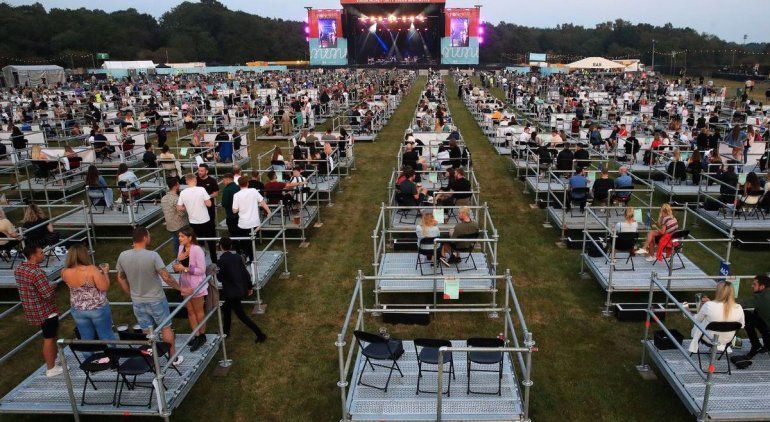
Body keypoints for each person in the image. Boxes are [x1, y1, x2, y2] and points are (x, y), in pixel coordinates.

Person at [116, 227, 184, 366]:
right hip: (156, 299)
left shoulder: (123, 255)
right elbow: (166, 277)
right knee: (166, 328)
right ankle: (173, 358)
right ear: (145, 237)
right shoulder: (153, 255)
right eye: (149, 235)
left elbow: (121, 278)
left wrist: (130, 293)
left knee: (147, 331)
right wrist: (180, 288)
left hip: (137, 300)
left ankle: (151, 359)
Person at [14, 243, 62, 376]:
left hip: (32, 308)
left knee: (51, 335)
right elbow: (47, 294)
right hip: (45, 310)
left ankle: (55, 358)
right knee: (49, 337)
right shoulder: (37, 273)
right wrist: (54, 285)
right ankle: (51, 367)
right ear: (33, 255)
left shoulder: (19, 268)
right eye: (41, 253)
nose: (43, 254)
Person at [61, 243, 117, 341]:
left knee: (86, 338)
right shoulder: (91, 269)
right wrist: (105, 273)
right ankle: (111, 356)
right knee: (106, 336)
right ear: (84, 255)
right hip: (97, 308)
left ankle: (89, 356)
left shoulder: (64, 272)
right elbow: (104, 287)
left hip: (78, 309)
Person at [216, 237, 267, 343]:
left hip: (230, 292)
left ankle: (260, 334)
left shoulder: (221, 261)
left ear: (220, 247)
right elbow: (245, 273)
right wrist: (249, 287)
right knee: (226, 310)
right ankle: (226, 332)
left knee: (241, 316)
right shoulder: (238, 257)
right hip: (238, 289)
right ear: (231, 246)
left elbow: (220, 278)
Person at [171, 226, 208, 352]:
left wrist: (185, 269)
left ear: (190, 237)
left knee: (198, 311)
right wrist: (177, 264)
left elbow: (202, 270)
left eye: (182, 236)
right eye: (179, 236)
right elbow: (177, 265)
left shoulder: (197, 250)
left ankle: (202, 336)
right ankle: (196, 335)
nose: (179, 238)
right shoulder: (181, 248)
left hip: (196, 286)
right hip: (185, 284)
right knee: (190, 311)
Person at [688, 281, 744, 354]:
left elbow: (698, 320)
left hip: (709, 338)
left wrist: (704, 306)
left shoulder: (709, 305)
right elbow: (742, 325)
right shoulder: (738, 307)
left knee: (702, 321)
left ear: (718, 292)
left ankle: (687, 313)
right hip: (727, 340)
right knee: (711, 320)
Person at [177, 173, 217, 262]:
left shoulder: (183, 192)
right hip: (205, 220)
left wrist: (187, 207)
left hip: (193, 222)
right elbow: (209, 204)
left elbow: (179, 207)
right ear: (195, 180)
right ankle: (214, 261)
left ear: (187, 181)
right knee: (211, 242)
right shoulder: (201, 190)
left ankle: (198, 261)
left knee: (195, 243)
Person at [732, 275, 770, 364]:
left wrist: (718, 302)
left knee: (745, 315)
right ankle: (766, 344)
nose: (752, 286)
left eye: (755, 284)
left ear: (762, 287)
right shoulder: (765, 294)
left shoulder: (762, 297)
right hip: (766, 325)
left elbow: (741, 304)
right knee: (753, 315)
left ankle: (756, 345)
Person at [232, 175, 271, 262]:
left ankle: (248, 257)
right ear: (248, 183)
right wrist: (269, 212)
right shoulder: (253, 191)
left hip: (243, 223)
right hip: (254, 222)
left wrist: (239, 207)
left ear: (239, 184)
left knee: (246, 242)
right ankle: (251, 258)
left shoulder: (236, 195)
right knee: (250, 242)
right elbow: (262, 202)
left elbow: (234, 211)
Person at [161, 177, 189, 256]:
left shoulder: (163, 198)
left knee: (176, 243)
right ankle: (181, 260)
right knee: (181, 244)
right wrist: (187, 207)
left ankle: (178, 259)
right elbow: (181, 213)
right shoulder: (176, 199)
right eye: (178, 184)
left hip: (170, 225)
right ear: (176, 185)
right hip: (180, 225)